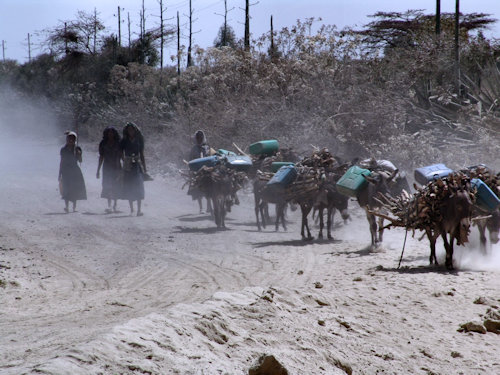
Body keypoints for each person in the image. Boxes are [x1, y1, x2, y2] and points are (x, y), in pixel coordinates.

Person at [120, 122, 146, 216]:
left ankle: (139, 210)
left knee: (138, 185)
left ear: (135, 130)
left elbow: (142, 153)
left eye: (132, 129)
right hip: (128, 165)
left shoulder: (139, 140)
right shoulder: (124, 140)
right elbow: (120, 151)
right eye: (129, 129)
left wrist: (144, 167)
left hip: (137, 165)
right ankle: (132, 209)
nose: (130, 131)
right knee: (129, 185)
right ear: (127, 131)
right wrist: (124, 160)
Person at [58, 131, 87, 213]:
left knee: (74, 189)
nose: (71, 140)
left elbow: (80, 161)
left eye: (72, 139)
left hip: (75, 171)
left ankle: (74, 206)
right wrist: (59, 174)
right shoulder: (63, 150)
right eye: (69, 138)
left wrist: (79, 154)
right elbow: (62, 161)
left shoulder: (77, 149)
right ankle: (66, 206)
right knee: (66, 188)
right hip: (66, 171)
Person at [96, 126, 122, 213]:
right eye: (109, 133)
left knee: (116, 186)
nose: (110, 134)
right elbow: (101, 157)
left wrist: (126, 165)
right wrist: (98, 170)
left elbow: (122, 155)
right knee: (108, 186)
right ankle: (109, 205)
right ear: (106, 134)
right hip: (107, 167)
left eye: (112, 132)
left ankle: (115, 204)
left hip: (117, 167)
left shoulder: (118, 143)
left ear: (115, 134)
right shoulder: (103, 143)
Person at [188, 130, 212, 214]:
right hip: (197, 171)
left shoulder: (207, 147)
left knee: (210, 187)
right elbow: (190, 160)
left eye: (201, 138)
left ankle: (209, 206)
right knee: (198, 189)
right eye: (198, 138)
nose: (199, 139)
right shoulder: (193, 149)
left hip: (207, 170)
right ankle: (201, 208)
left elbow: (211, 157)